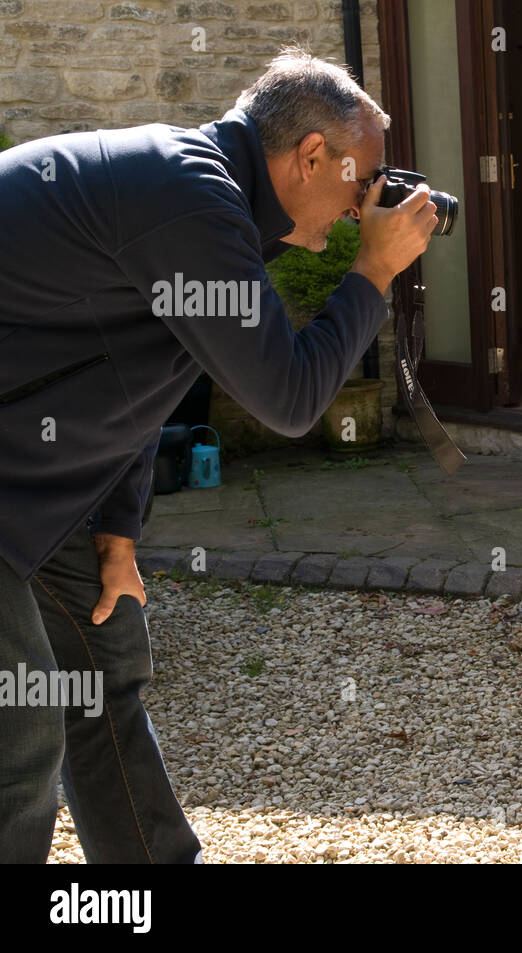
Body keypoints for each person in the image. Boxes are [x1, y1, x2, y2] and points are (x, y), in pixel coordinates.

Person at [0, 47, 439, 863]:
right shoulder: (189, 197)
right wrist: (373, 270)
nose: (365, 204)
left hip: (32, 484)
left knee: (103, 669)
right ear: (311, 156)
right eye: (360, 178)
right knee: (18, 736)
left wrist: (118, 531)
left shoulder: (210, 203)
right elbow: (289, 398)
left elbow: (144, 378)